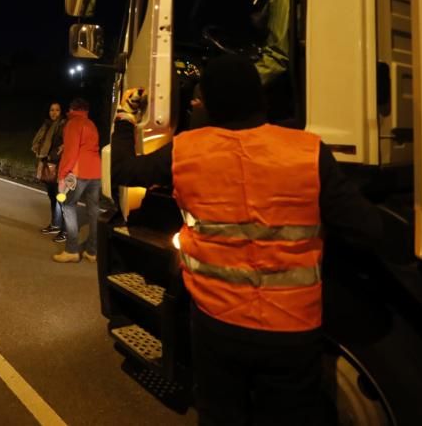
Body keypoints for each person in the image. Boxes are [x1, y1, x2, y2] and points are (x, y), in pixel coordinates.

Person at [110, 54, 384, 424]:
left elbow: (125, 169)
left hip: (216, 326)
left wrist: (126, 117)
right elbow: (367, 230)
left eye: (199, 97)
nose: (193, 103)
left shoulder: (188, 149)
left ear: (215, 103)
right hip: (292, 334)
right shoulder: (307, 151)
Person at [52, 98, 101, 263]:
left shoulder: (73, 124)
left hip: (79, 172)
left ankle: (72, 250)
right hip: (96, 172)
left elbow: (71, 153)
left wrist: (62, 176)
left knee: (68, 206)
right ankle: (92, 251)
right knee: (93, 212)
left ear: (72, 109)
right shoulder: (91, 124)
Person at [31, 101, 65, 238]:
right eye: (52, 110)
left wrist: (51, 156)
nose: (54, 113)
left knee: (61, 197)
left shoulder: (63, 125)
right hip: (47, 164)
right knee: (52, 196)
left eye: (57, 110)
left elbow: (64, 145)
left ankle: (65, 229)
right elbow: (39, 142)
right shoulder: (46, 125)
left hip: (58, 165)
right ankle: (55, 224)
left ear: (61, 111)